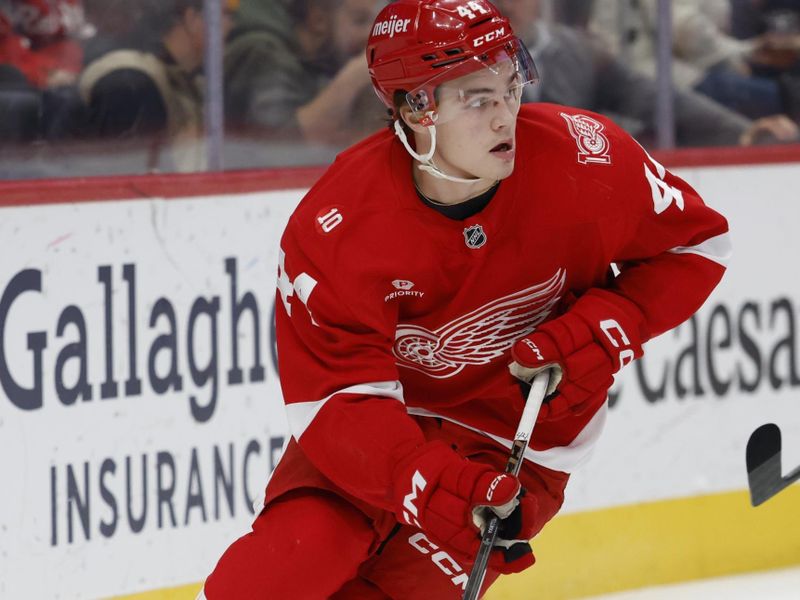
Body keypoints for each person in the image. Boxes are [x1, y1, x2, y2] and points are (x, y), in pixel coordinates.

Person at [201, 1, 730, 598]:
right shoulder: (339, 224)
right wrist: (423, 480)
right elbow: (337, 398)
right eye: (478, 99)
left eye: (511, 87)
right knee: (276, 574)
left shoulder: (584, 157)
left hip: (511, 446)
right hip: (379, 434)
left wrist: (606, 323)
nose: (506, 116)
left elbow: (698, 244)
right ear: (415, 110)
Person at [496, 0, 798, 147]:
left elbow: (655, 98)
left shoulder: (579, 51)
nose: (506, 2)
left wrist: (742, 131)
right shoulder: (456, 59)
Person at [78, 0, 235, 172]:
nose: (232, 25)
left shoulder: (186, 81)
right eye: (226, 14)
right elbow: (132, 185)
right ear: (191, 18)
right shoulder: (133, 84)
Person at [223, 0, 387, 152]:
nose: (369, 35)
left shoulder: (319, 64)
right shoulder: (262, 54)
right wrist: (354, 79)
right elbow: (280, 146)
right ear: (318, 19)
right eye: (360, 21)